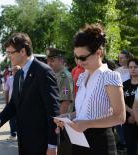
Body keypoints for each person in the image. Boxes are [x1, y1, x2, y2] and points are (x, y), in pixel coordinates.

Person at [54, 24, 126, 155]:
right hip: (79, 141)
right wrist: (68, 116)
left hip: (100, 143)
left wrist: (87, 124)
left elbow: (120, 117)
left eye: (82, 57)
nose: (78, 62)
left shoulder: (109, 76)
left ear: (98, 52)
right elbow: (84, 111)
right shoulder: (83, 76)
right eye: (76, 57)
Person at [0, 32, 60, 155]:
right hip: (24, 140)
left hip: (41, 143)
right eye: (7, 53)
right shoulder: (19, 74)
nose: (9, 56)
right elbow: (14, 104)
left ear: (22, 51)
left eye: (11, 53)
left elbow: (53, 111)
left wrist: (52, 145)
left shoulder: (43, 72)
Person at [46, 48, 74, 155]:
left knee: (63, 151)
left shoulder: (64, 76)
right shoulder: (55, 75)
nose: (49, 63)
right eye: (48, 60)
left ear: (61, 60)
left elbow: (65, 102)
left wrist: (58, 125)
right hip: (55, 121)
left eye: (52, 60)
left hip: (62, 124)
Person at [122, 58, 138, 155]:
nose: (133, 69)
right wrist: (132, 112)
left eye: (135, 67)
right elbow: (121, 102)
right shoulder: (125, 84)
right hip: (128, 121)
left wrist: (136, 115)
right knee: (131, 150)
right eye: (130, 67)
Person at [4, 65, 20, 140]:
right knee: (12, 120)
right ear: (12, 71)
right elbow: (6, 91)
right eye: (14, 70)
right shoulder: (9, 79)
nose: (15, 71)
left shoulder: (24, 78)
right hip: (12, 103)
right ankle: (13, 134)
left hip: (22, 104)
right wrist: (7, 102)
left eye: (17, 70)